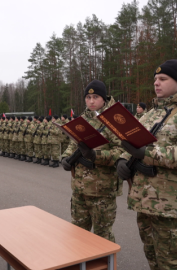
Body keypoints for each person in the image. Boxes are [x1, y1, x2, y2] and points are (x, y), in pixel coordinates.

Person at [116, 60, 177, 269]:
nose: (156, 84)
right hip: (146, 200)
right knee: (153, 258)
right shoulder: (151, 113)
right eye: (155, 80)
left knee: (171, 264)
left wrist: (147, 153)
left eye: (163, 79)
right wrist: (123, 159)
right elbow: (134, 142)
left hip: (174, 205)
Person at [60, 79, 124, 243]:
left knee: (103, 236)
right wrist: (66, 158)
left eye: (95, 97)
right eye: (88, 98)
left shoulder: (114, 119)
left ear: (104, 98)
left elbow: (122, 152)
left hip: (102, 190)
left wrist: (96, 156)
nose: (91, 101)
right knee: (78, 233)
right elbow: (72, 144)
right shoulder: (82, 119)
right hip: (79, 189)